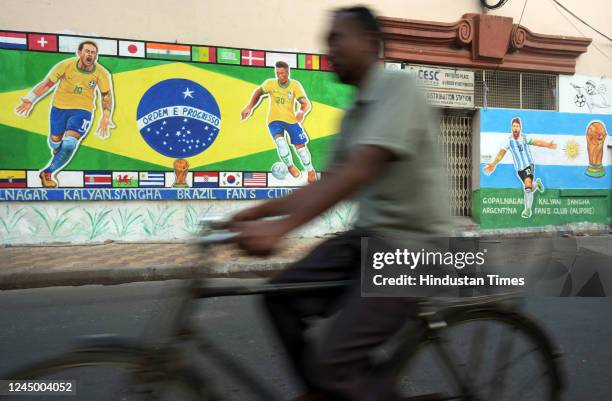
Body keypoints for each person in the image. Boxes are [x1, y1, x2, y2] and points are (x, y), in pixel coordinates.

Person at [230, 6, 449, 401]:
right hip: (369, 239)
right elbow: (328, 183)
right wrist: (254, 213)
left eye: (336, 39)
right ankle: (326, 392)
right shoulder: (354, 115)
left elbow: (361, 169)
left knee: (335, 362)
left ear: (370, 43)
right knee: (279, 297)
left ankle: (338, 384)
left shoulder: (399, 88)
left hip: (414, 250)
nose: (328, 48)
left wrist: (280, 228)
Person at [14, 40, 114, 188]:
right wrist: (30, 99)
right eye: (87, 51)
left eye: (93, 53)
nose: (90, 55)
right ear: (80, 53)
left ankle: (48, 172)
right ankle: (56, 148)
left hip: (83, 112)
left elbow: (106, 96)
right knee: (55, 141)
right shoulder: (65, 65)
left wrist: (106, 116)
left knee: (69, 145)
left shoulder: (101, 73)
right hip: (59, 109)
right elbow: (47, 84)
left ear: (96, 56)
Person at [241, 61, 318, 183]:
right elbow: (258, 92)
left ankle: (310, 171)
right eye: (277, 73)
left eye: (282, 73)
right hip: (274, 120)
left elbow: (305, 103)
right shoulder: (270, 84)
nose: (279, 76)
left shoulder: (294, 85)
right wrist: (249, 107)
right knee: (282, 144)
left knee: (301, 150)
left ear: (288, 73)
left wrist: (301, 112)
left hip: (291, 121)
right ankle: (290, 166)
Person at [484, 117, 556, 218]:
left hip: (528, 165)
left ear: (520, 128)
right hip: (519, 170)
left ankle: (527, 210)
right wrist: (493, 164)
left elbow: (536, 142)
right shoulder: (508, 142)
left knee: (527, 187)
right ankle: (537, 184)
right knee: (529, 187)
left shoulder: (524, 138)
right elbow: (500, 154)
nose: (515, 128)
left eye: (517, 126)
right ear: (511, 128)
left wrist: (547, 144)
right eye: (513, 126)